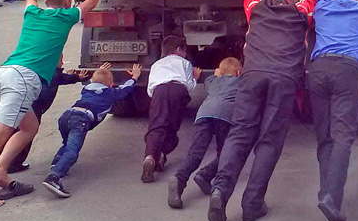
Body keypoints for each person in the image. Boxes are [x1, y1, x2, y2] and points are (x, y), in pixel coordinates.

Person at [0, 0, 103, 210]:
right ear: (68, 2)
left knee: (29, 126)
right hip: (24, 80)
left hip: (6, 73)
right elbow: (91, 1)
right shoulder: (66, 17)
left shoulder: (33, 13)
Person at [208, 0, 320, 221]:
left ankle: (220, 191)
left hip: (253, 75)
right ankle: (252, 203)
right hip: (284, 80)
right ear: (293, 2)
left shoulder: (257, 10)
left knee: (239, 134)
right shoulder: (301, 13)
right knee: (269, 140)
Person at [308, 0, 358, 221]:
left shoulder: (323, 9)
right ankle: (331, 199)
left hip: (318, 69)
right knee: (343, 136)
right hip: (347, 71)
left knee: (324, 136)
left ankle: (326, 190)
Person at [42, 62, 142, 197]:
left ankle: (57, 164)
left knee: (67, 144)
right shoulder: (110, 93)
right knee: (72, 151)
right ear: (111, 84)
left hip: (66, 117)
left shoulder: (87, 88)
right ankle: (54, 177)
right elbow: (126, 89)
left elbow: (93, 80)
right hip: (81, 120)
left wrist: (99, 71)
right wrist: (135, 77)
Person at [168, 57, 243, 209]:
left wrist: (216, 76)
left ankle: (179, 178)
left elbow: (209, 81)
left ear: (220, 72)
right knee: (225, 153)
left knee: (196, 153)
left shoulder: (212, 82)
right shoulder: (241, 81)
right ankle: (206, 175)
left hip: (204, 115)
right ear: (239, 72)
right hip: (226, 117)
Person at [7, 58, 92, 174]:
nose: (62, 61)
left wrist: (68, 75)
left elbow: (61, 78)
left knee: (15, 131)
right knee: (26, 135)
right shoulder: (53, 74)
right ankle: (14, 163)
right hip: (34, 108)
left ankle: (2, 160)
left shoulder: (44, 71)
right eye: (60, 58)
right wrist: (78, 77)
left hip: (26, 104)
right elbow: (63, 78)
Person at [142, 36, 201, 183]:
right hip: (178, 90)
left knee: (156, 126)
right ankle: (161, 154)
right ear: (179, 50)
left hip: (159, 91)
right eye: (185, 51)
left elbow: (150, 89)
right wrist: (195, 78)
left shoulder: (156, 64)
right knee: (172, 127)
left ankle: (150, 157)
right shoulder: (185, 63)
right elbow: (189, 86)